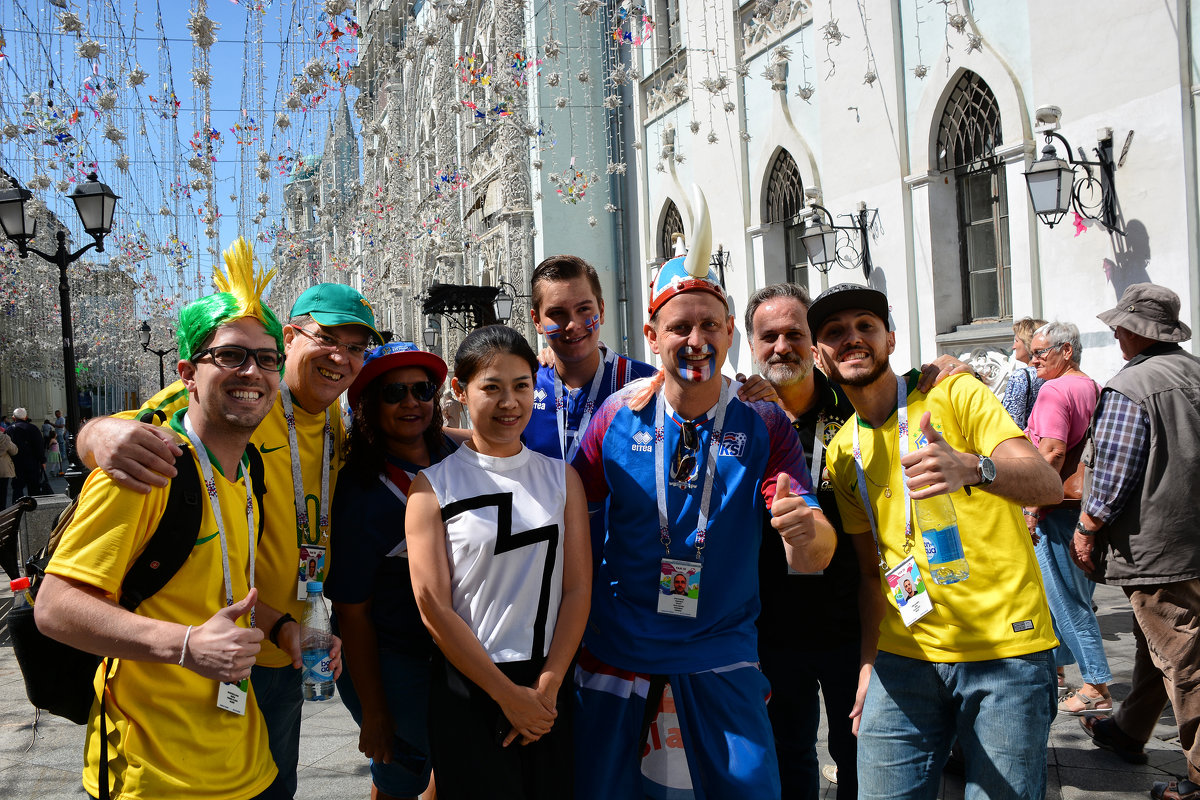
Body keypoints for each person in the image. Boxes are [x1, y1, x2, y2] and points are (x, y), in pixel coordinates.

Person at [75, 266, 377, 798]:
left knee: (271, 782)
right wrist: (96, 432)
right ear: (291, 338)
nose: (340, 358)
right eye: (326, 339)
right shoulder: (243, 393)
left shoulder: (336, 419)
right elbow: (129, 431)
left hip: (282, 640)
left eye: (356, 348)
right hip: (191, 664)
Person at [570, 199, 835, 798]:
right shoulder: (615, 416)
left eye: (709, 325)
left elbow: (815, 550)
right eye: (679, 327)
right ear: (651, 335)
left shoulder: (763, 422)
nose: (695, 340)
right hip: (620, 649)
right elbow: (571, 519)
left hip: (721, 650)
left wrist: (804, 529)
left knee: (749, 789)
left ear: (729, 331)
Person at [32, 241, 286, 800]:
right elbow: (54, 607)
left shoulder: (249, 471)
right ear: (188, 373)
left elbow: (221, 591)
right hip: (151, 776)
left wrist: (288, 630)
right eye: (232, 356)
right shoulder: (148, 468)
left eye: (268, 359)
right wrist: (188, 645)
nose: (254, 371)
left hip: (247, 763)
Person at [811, 282, 1064, 799]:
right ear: (820, 356)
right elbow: (870, 575)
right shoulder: (842, 450)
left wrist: (973, 468)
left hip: (1005, 654)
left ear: (891, 339)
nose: (852, 339)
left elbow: (1047, 484)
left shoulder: (953, 393)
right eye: (835, 333)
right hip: (904, 657)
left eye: (866, 326)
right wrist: (866, 666)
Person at [407, 325, 591, 799]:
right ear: (460, 392)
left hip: (548, 684)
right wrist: (507, 696)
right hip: (468, 687)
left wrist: (545, 689)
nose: (509, 402)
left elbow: (577, 589)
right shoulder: (432, 487)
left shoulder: (561, 479)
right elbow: (434, 608)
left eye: (521, 386)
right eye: (491, 387)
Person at [1073, 284, 1200, 800]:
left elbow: (1111, 473)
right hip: (1187, 536)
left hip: (1158, 544)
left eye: (1119, 326)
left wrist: (1087, 527)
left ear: (1134, 331)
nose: (1114, 333)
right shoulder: (1192, 371)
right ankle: (1128, 730)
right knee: (1162, 643)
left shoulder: (1132, 386)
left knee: (1184, 658)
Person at [742, 281, 862, 800]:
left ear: (813, 342)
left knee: (857, 747)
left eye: (794, 333)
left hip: (849, 617)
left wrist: (944, 370)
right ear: (750, 344)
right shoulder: (737, 418)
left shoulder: (852, 405)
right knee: (788, 752)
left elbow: (905, 385)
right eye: (769, 336)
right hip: (771, 624)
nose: (781, 347)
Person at [326, 341, 458, 800]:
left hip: (455, 652)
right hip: (394, 659)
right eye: (393, 393)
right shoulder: (362, 491)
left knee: (450, 763)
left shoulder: (452, 456)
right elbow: (351, 612)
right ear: (367, 406)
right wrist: (376, 711)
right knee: (402, 775)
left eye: (422, 390)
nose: (410, 402)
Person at [1022, 321, 1112, 713]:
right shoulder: (1090, 386)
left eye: (1042, 351)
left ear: (1067, 352)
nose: (1033, 358)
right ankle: (1056, 671)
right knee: (1067, 596)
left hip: (1056, 508)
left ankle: (1095, 685)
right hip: (1085, 507)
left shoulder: (1055, 389)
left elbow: (1053, 453)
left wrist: (1031, 506)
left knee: (1065, 600)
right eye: (1033, 351)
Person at [525, 254, 657, 463]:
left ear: (601, 310)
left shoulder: (645, 384)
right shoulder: (525, 386)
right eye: (557, 313)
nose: (572, 325)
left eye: (583, 309)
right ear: (537, 321)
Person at [1001, 317, 1047, 429]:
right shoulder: (1054, 373)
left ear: (1029, 343)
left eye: (1016, 341)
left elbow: (1010, 423)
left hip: (1026, 443)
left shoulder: (1020, 377)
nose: (1013, 347)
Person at [8, 408, 44, 500]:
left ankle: (17, 508)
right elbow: (39, 446)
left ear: (13, 418)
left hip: (15, 463)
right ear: (26, 417)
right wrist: (42, 460)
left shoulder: (9, 430)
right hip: (32, 462)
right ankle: (34, 507)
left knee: (17, 488)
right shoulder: (33, 428)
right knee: (34, 487)